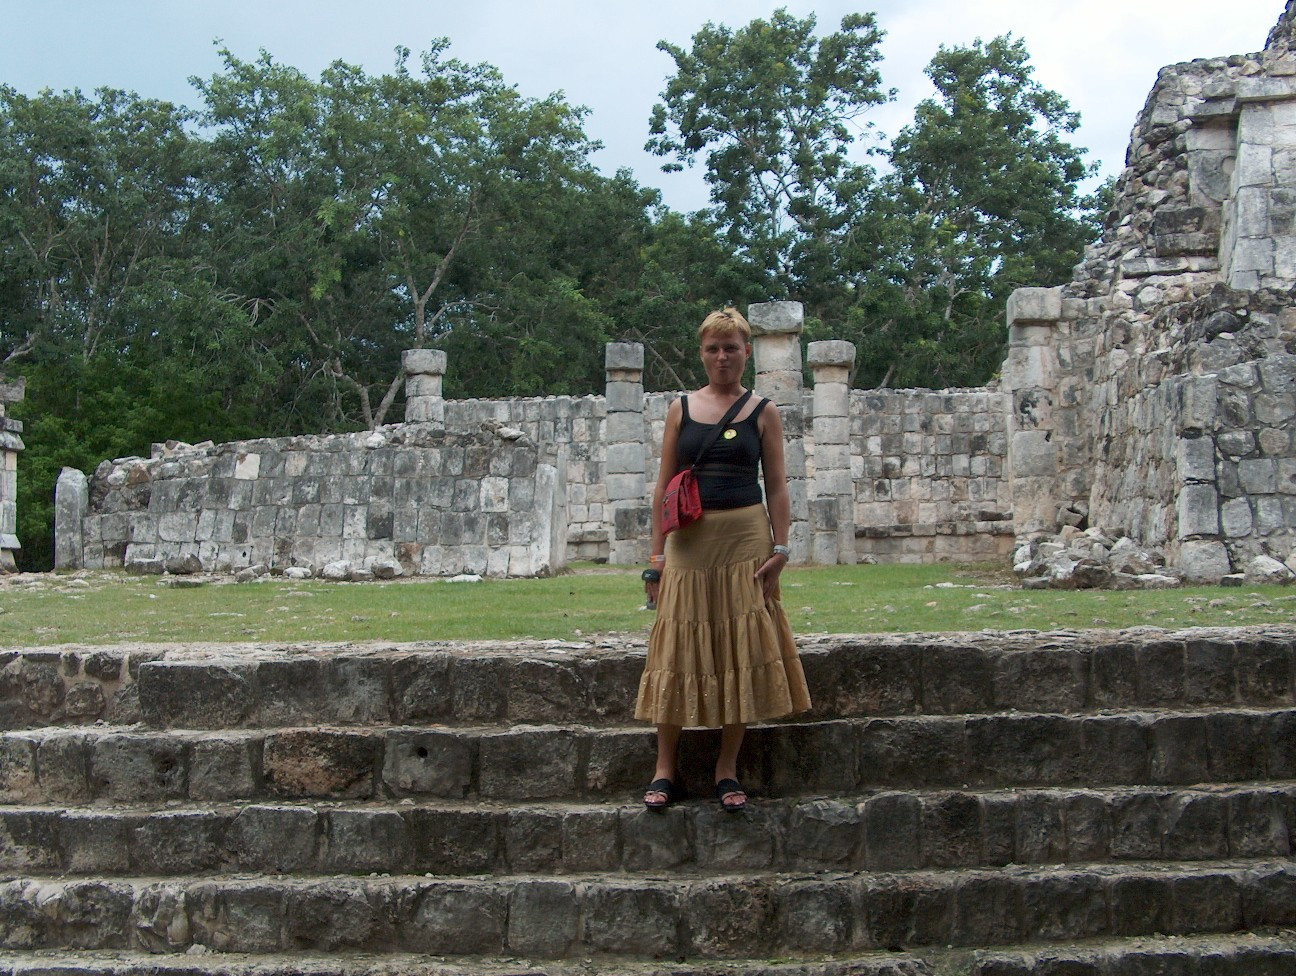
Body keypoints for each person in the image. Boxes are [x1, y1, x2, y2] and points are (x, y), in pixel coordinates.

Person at [636, 307, 812, 812]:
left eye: (731, 347)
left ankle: (726, 768)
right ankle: (664, 768)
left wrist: (781, 549)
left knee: (740, 647)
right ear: (702, 353)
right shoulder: (680, 410)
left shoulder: (763, 411)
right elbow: (663, 489)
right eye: (713, 348)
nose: (722, 356)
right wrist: (656, 557)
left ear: (746, 352)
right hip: (689, 543)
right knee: (675, 647)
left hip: (746, 542)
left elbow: (777, 487)